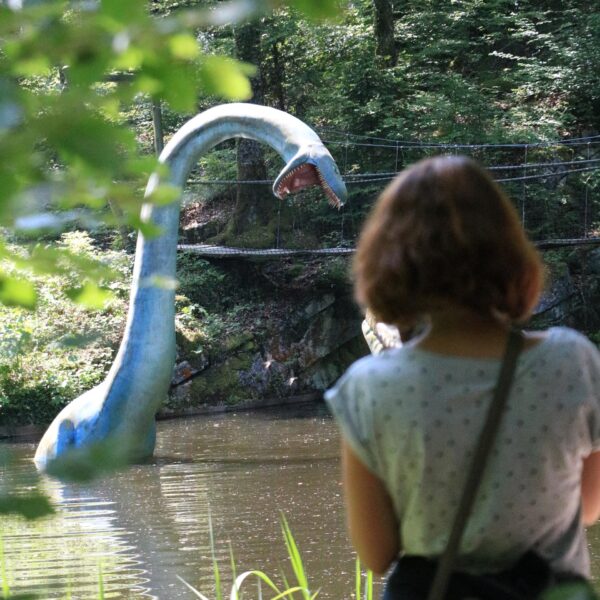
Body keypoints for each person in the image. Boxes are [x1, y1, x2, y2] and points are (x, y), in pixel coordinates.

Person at [324, 155, 600, 598]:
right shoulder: (573, 362)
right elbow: (587, 507)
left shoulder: (369, 388)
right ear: (510, 253)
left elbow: (377, 554)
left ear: (390, 265)